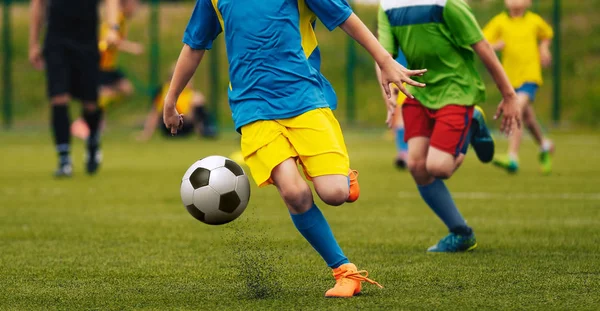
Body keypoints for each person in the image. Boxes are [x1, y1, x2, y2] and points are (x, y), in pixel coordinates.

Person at [164, 0, 426, 298]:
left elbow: (345, 17)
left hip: (304, 98)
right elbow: (194, 45)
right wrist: (171, 99)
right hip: (252, 108)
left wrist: (384, 60)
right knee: (294, 192)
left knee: (335, 194)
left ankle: (343, 176)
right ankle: (344, 271)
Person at [377, 0, 520, 252]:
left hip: (456, 90)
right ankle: (461, 233)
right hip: (418, 91)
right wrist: (389, 97)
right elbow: (384, 56)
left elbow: (482, 46)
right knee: (417, 166)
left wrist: (509, 95)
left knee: (439, 167)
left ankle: (473, 123)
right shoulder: (388, 5)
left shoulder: (447, 3)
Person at [29, 0, 121, 177]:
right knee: (58, 98)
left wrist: (112, 28)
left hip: (86, 42)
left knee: (90, 104)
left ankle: (93, 139)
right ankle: (64, 160)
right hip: (56, 41)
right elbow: (37, 5)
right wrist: (33, 43)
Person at [483, 0, 555, 174]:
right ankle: (545, 145)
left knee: (517, 108)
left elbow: (547, 35)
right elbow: (482, 41)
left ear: (528, 2)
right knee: (528, 118)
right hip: (509, 79)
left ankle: (512, 157)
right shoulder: (499, 21)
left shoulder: (534, 20)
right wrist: (495, 45)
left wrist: (544, 48)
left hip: (530, 76)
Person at [136, 73, 214, 141]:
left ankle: (205, 130)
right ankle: (204, 130)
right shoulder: (164, 92)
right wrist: (146, 133)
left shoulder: (191, 94)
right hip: (169, 128)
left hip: (185, 126)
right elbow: (155, 113)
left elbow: (192, 116)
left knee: (198, 101)